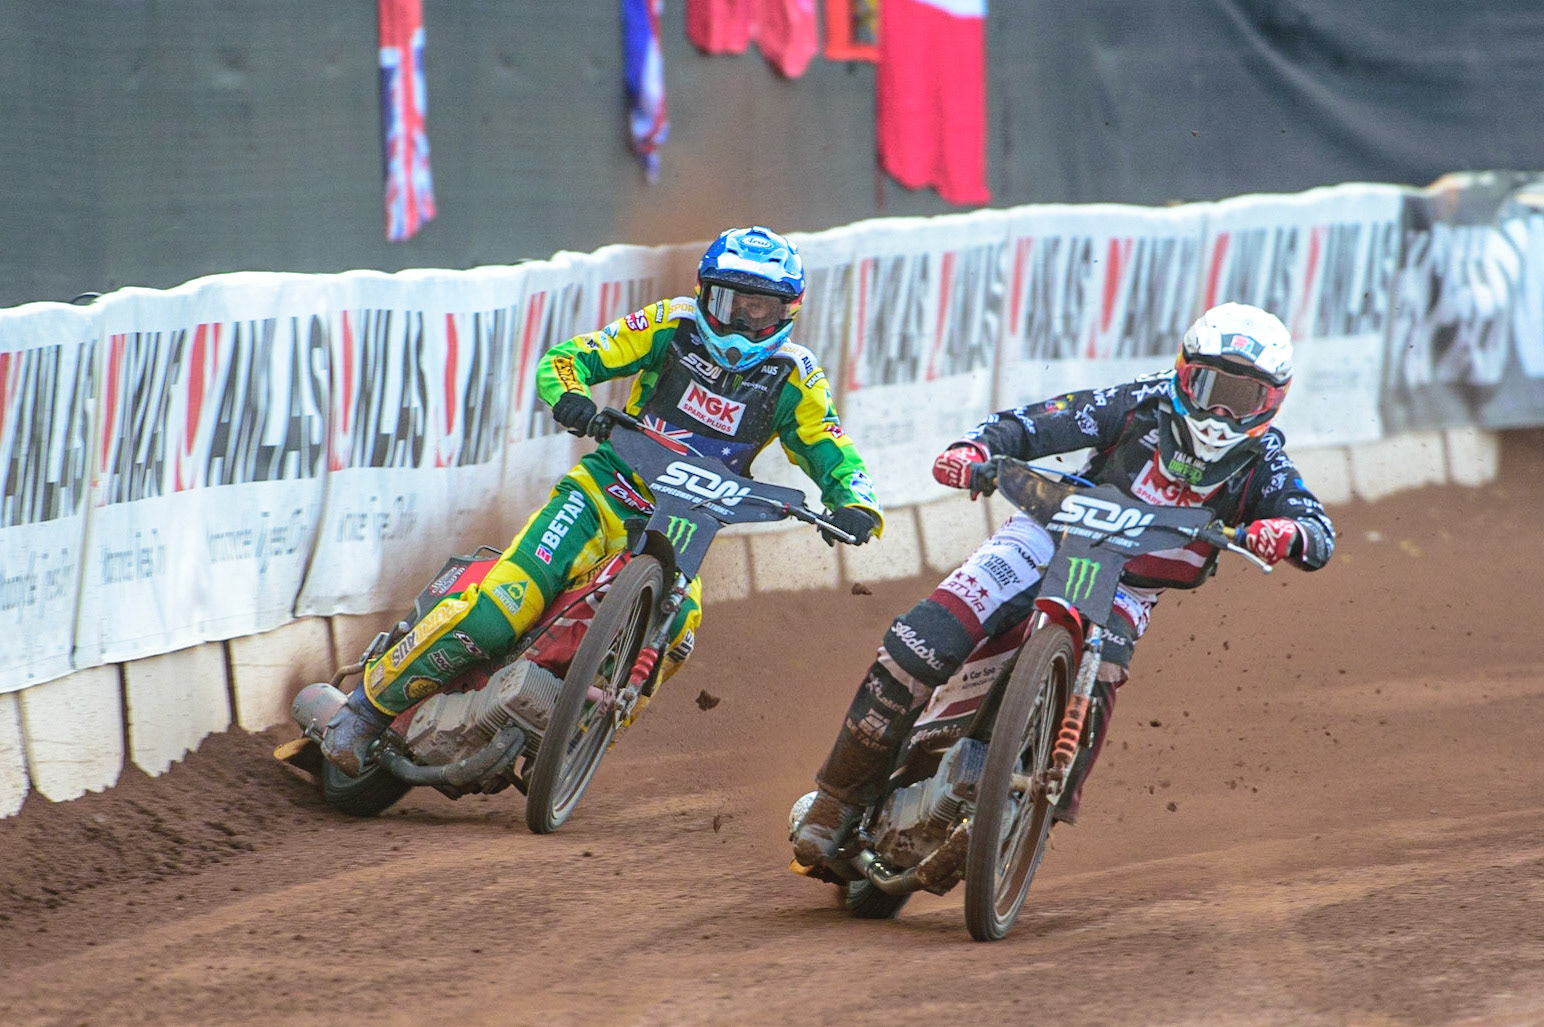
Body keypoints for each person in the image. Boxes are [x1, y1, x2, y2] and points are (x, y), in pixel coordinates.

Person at [322, 226, 884, 776]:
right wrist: (571, 397)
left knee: (681, 627)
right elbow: (571, 357)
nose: (741, 322)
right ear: (704, 294)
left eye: (759, 310)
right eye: (730, 303)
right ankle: (363, 713)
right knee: (504, 608)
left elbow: (832, 449)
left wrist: (857, 504)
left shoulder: (795, 377)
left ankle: (578, 741)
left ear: (787, 312)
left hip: (684, 528)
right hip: (604, 492)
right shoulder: (671, 325)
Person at [790, 301, 1335, 867]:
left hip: (1128, 586)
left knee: (1101, 679)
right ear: (1182, 373)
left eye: (1244, 397)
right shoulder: (1137, 404)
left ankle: (1038, 810)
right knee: (921, 642)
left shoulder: (1265, 461)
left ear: (1271, 403)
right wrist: (976, 450)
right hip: (1048, 536)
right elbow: (1038, 422)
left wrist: (1287, 533)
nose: (1222, 411)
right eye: (1210, 385)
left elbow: (1317, 528)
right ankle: (835, 800)